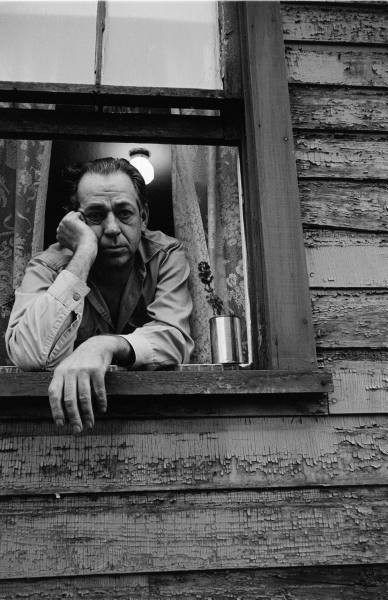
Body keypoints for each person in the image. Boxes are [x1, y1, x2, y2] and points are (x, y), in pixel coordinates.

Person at [6, 157, 193, 433]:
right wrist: (82, 253)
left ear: (144, 217)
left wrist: (103, 346)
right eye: (95, 215)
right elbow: (28, 353)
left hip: (156, 424)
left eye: (124, 213)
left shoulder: (166, 256)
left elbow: (174, 337)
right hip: (62, 431)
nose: (113, 229)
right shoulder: (49, 265)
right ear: (75, 221)